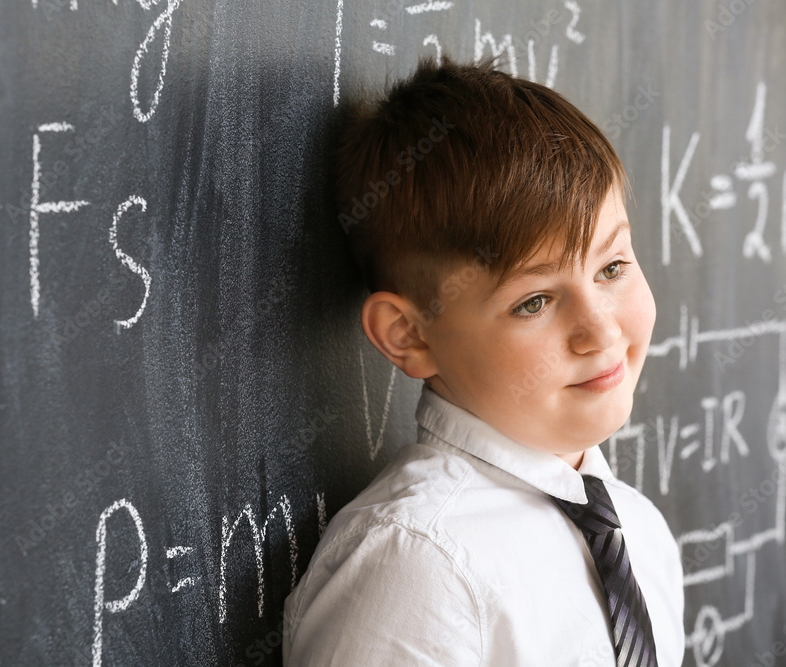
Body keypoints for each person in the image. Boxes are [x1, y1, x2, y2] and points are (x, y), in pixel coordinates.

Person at [282, 53, 685, 666]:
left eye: (612, 267)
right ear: (408, 336)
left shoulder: (642, 533)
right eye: (535, 302)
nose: (600, 331)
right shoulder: (418, 567)